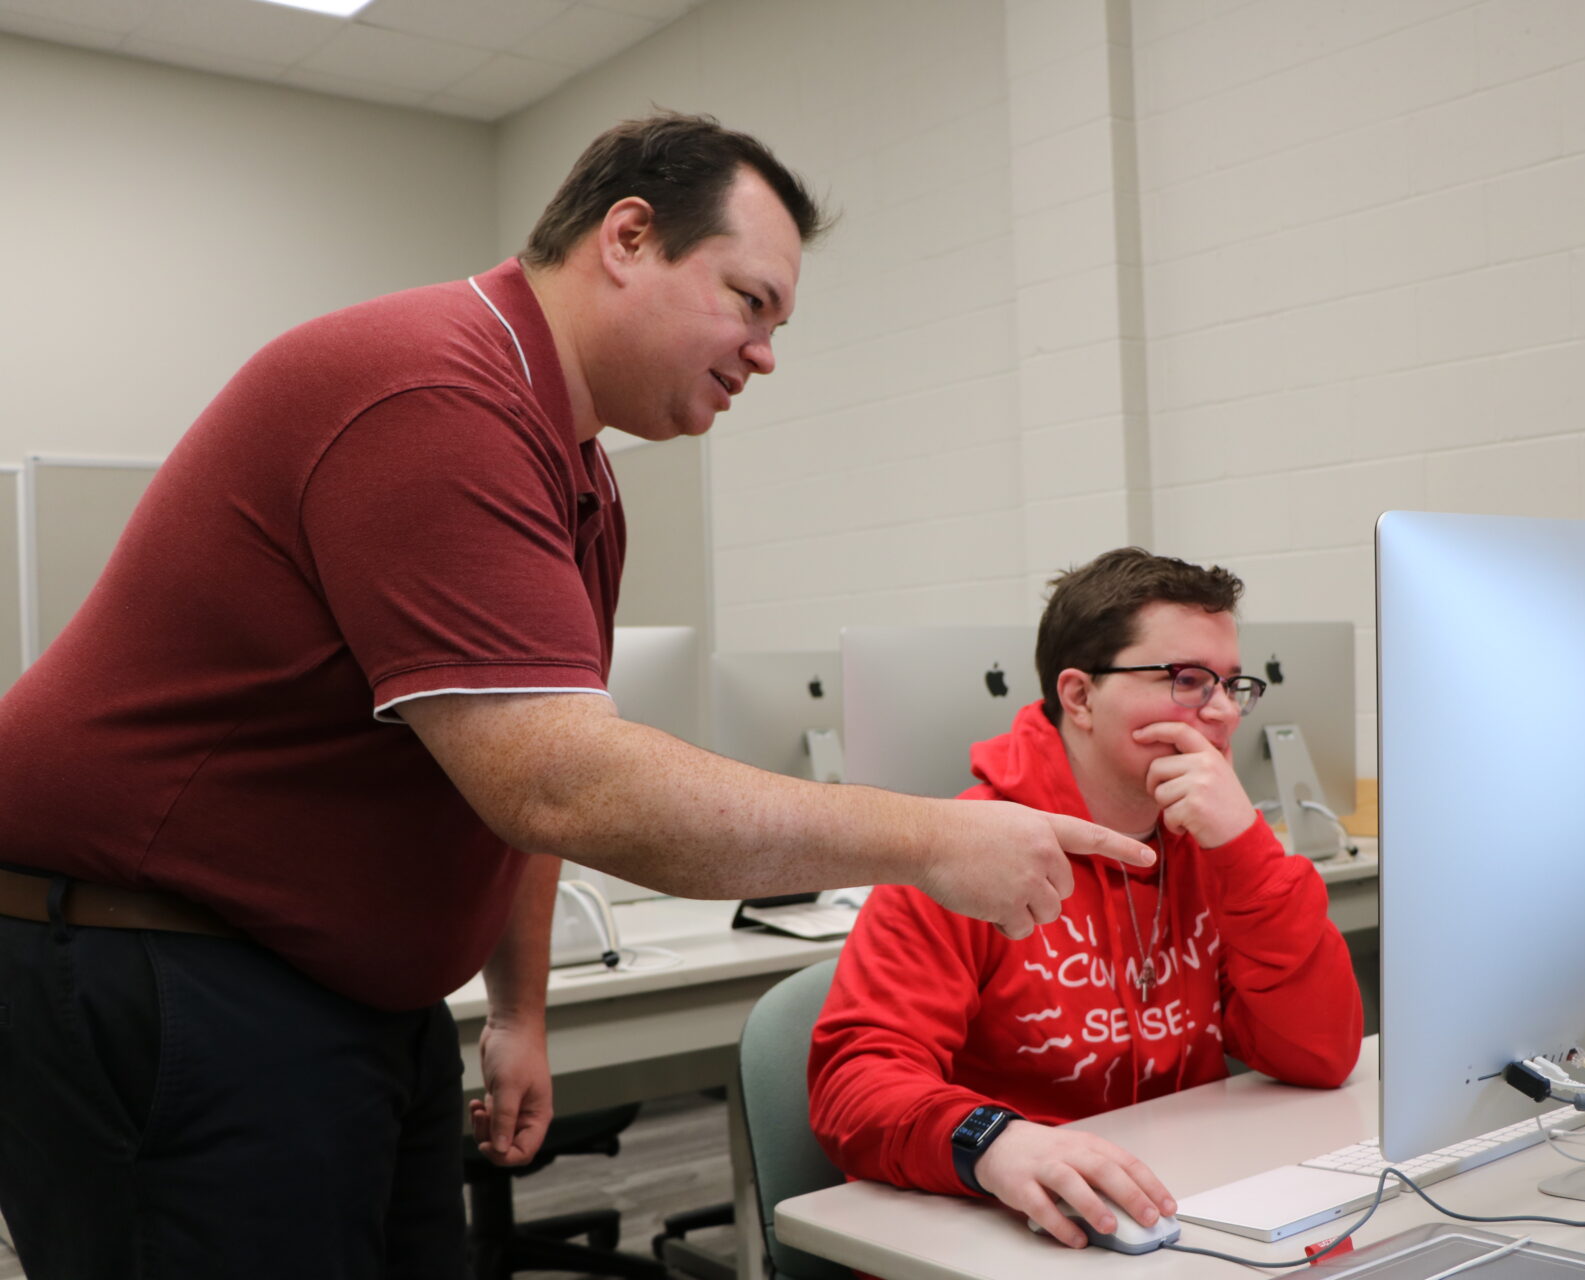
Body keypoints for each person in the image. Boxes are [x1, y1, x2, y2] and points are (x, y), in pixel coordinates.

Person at [0, 113, 1151, 1280]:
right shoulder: (432, 391)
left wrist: (519, 1009)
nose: (766, 353)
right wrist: (933, 835)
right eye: (749, 300)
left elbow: (522, 777)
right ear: (630, 236)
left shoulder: (575, 468)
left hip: (336, 989)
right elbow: (562, 782)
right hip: (152, 959)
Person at [808, 547, 1363, 1248]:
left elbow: (1320, 1055)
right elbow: (853, 1085)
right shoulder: (965, 855)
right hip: (1004, 1224)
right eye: (1188, 680)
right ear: (1079, 696)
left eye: (1231, 684)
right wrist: (995, 1143)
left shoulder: (1214, 846)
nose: (1222, 712)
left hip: (1175, 1207)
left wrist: (1246, 846)